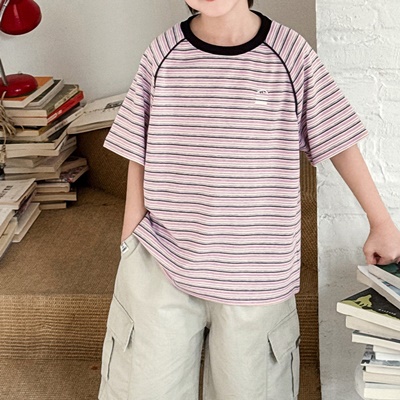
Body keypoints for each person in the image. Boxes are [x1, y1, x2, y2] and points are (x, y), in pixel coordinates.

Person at [98, 1, 400, 399]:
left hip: (257, 274)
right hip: (161, 259)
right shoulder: (162, 53)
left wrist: (381, 222)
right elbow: (138, 151)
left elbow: (338, 138)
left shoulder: (290, 55)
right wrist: (130, 242)